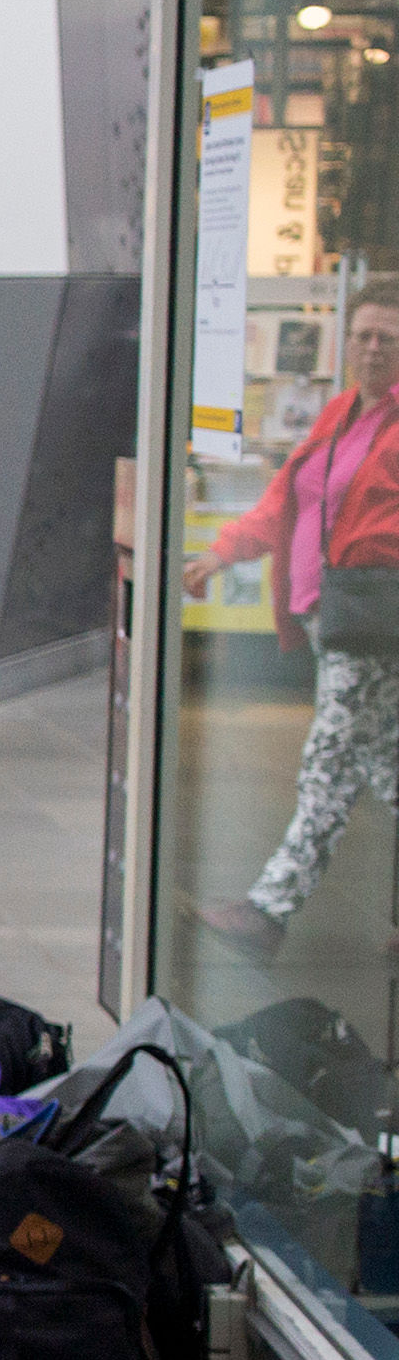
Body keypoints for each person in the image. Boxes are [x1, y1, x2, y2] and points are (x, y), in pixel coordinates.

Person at [182, 297, 399, 951]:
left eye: (386, 338)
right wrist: (222, 552)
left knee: (329, 764)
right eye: (362, 335)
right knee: (385, 762)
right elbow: (285, 497)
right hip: (327, 612)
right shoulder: (341, 413)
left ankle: (267, 909)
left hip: (369, 622)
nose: (371, 348)